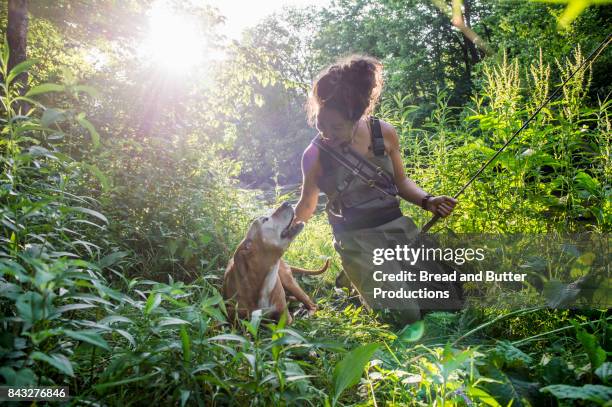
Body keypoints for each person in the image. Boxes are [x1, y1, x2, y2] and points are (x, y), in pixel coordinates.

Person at [291, 54, 462, 325]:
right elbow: (307, 206)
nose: (327, 134)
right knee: (404, 316)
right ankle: (358, 280)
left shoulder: (384, 133)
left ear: (356, 117)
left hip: (397, 229)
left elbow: (402, 183)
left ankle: (356, 286)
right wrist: (278, 236)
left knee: (451, 301)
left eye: (336, 127)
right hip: (356, 239)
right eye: (321, 125)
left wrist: (428, 201)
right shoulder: (314, 155)